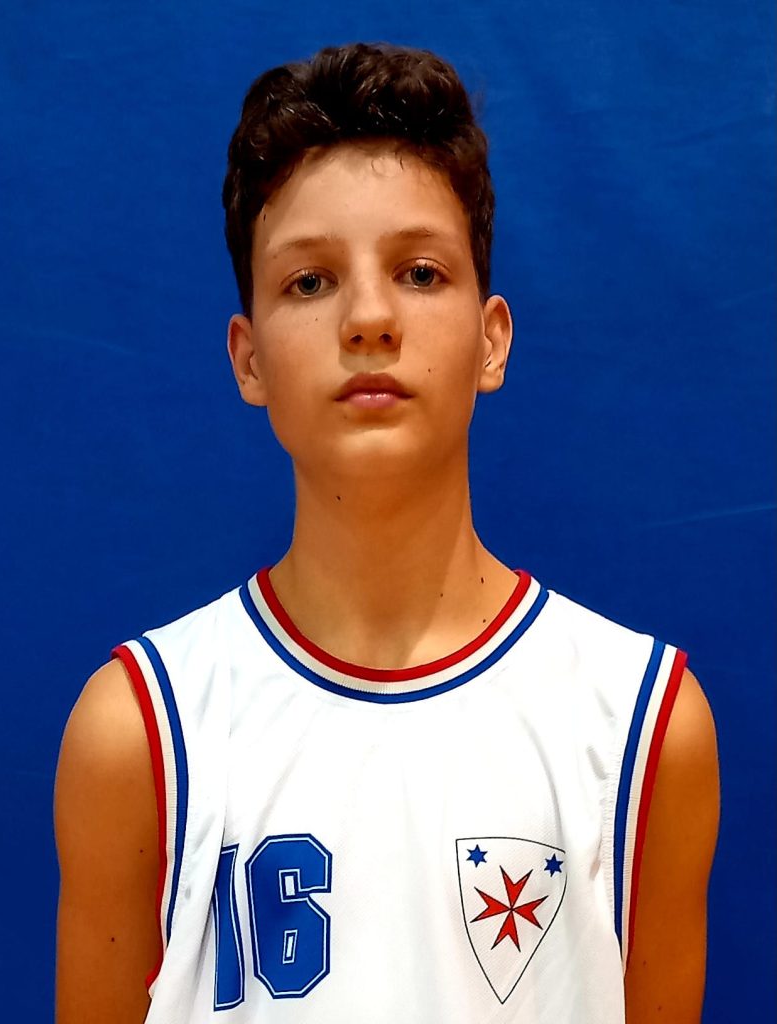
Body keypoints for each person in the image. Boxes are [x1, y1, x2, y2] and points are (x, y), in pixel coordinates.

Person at [54, 42, 719, 1024]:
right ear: (248, 358)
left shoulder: (640, 724)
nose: (368, 318)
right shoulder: (141, 732)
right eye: (308, 282)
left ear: (490, 337)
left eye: (418, 271)